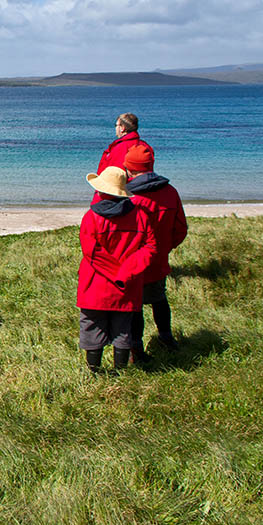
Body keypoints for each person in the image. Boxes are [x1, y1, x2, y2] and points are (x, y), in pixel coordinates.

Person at [78, 166, 157, 372]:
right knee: (123, 331)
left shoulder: (91, 217)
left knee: (93, 328)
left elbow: (92, 253)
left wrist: (116, 273)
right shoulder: (140, 216)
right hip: (127, 285)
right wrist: (127, 272)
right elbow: (151, 247)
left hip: (96, 285)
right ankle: (119, 373)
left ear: (101, 191)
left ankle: (94, 372)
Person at [125, 144, 188, 353]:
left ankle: (136, 348)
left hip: (133, 261)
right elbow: (180, 228)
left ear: (130, 169)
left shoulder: (128, 196)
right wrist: (164, 248)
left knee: (135, 306)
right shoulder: (170, 192)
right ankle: (166, 336)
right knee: (159, 299)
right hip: (159, 259)